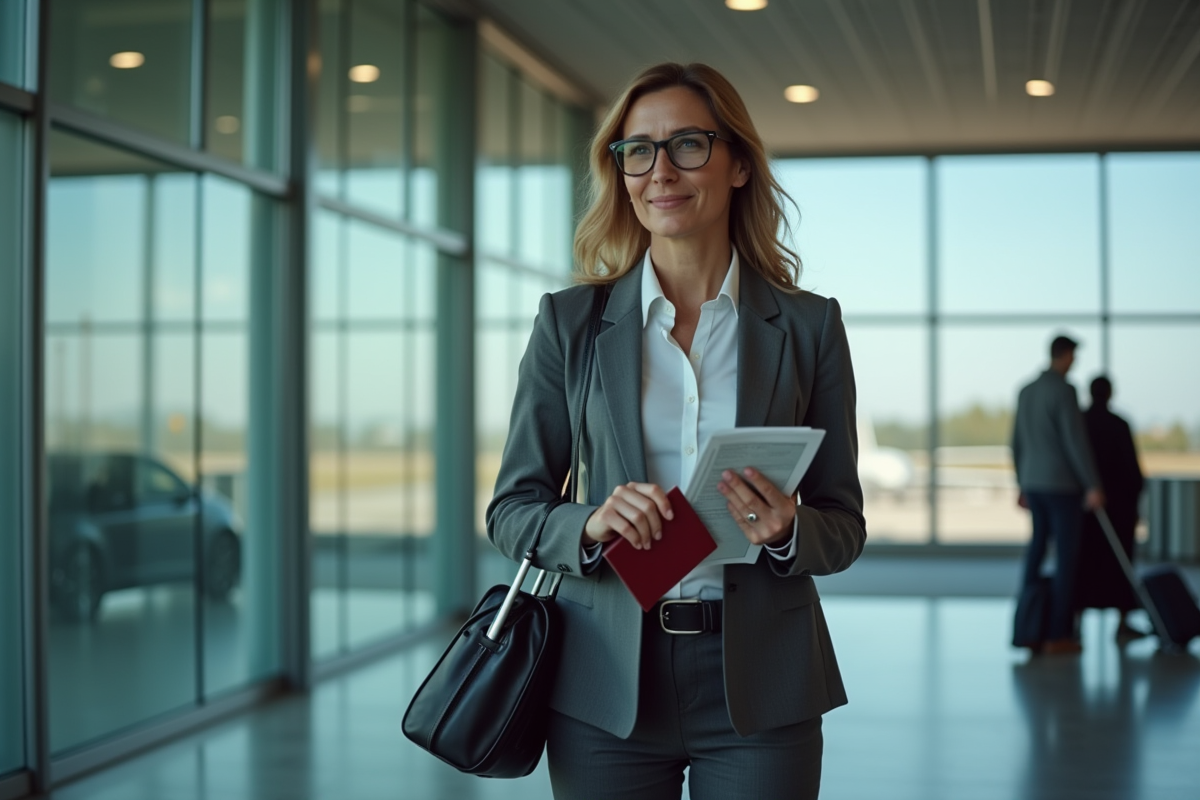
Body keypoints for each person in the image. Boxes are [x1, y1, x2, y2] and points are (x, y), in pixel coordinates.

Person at [486, 63, 865, 800]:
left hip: (763, 682)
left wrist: (788, 530)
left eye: (688, 145)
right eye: (637, 150)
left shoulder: (809, 326)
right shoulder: (571, 325)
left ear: (738, 165)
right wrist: (590, 524)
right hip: (604, 681)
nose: (660, 170)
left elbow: (843, 525)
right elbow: (512, 510)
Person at [1011, 334, 1104, 655]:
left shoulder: (1025, 390)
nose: (1074, 363)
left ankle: (1027, 628)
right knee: (1066, 559)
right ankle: (1056, 634)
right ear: (1064, 356)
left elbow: (1017, 441)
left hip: (1034, 484)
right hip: (1062, 486)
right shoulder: (1064, 390)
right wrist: (1092, 484)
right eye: (1073, 356)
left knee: (1036, 553)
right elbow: (1074, 441)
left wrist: (1020, 483)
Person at [1076, 375, 1146, 641]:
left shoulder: (1079, 423)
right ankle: (1122, 622)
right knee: (1121, 562)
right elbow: (1132, 470)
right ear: (1110, 394)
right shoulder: (1119, 424)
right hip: (1119, 507)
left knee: (1083, 563)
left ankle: (1076, 621)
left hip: (1084, 507)